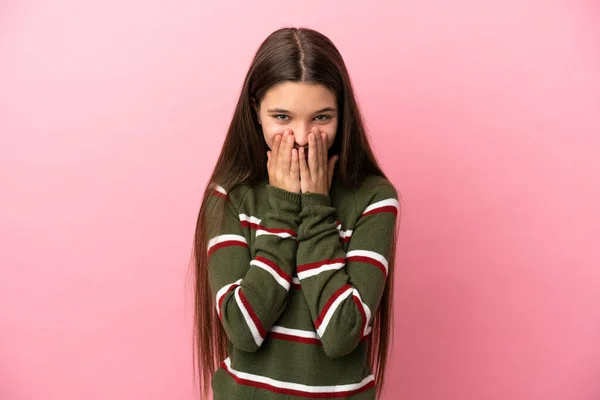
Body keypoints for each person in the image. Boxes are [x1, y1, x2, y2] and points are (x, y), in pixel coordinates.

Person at [192, 26, 401, 400]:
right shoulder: (231, 196)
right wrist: (284, 208)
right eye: (282, 117)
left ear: (343, 114)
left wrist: (316, 208)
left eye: (321, 118)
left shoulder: (374, 199)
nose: (302, 137)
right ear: (255, 112)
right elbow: (244, 330)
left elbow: (341, 334)